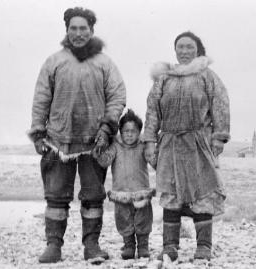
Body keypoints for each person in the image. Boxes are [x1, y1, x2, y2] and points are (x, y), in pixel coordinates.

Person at [27, 7, 126, 263]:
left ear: (91, 31)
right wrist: (38, 133)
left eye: (84, 29)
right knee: (56, 197)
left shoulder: (105, 63)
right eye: (74, 28)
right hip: (58, 140)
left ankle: (91, 245)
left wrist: (108, 127)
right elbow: (41, 98)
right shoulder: (54, 61)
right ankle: (54, 246)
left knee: (93, 196)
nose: (79, 33)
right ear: (67, 30)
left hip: (95, 142)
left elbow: (117, 97)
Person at [143, 31, 230, 261]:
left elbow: (220, 104)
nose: (184, 51)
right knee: (171, 195)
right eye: (180, 47)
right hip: (170, 143)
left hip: (197, 143)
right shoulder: (164, 78)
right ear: (175, 50)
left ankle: (203, 246)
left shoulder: (207, 76)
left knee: (202, 194)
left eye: (189, 47)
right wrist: (149, 139)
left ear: (197, 50)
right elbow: (152, 110)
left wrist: (219, 137)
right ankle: (170, 247)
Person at [96, 109, 155, 260]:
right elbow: (104, 161)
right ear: (120, 131)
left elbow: (154, 161)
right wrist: (98, 150)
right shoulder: (115, 146)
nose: (129, 134)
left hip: (140, 191)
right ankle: (129, 245)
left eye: (133, 131)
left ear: (139, 132)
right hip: (121, 192)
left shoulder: (143, 146)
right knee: (123, 220)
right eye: (126, 131)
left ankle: (143, 245)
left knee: (143, 219)